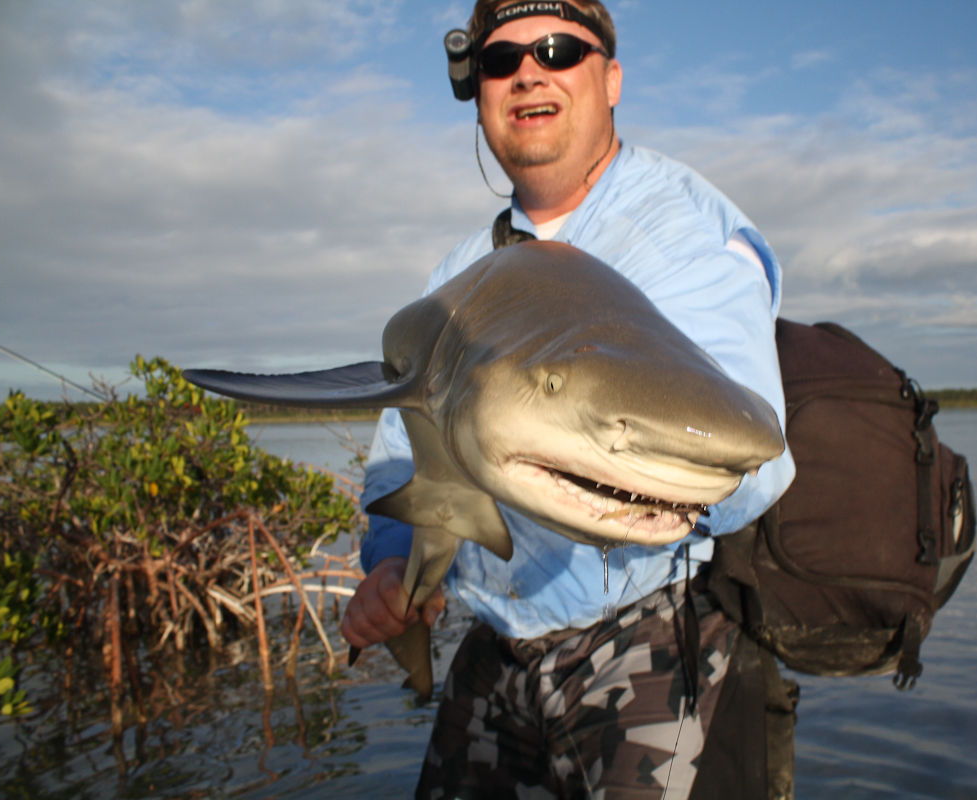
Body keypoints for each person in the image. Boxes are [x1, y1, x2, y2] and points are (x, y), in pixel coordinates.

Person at [341, 1, 799, 796]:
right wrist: (389, 571)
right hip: (497, 642)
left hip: (647, 643)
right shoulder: (457, 273)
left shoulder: (686, 234)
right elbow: (395, 456)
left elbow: (752, 466)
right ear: (474, 88)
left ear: (611, 77)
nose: (528, 72)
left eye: (559, 49)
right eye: (500, 58)